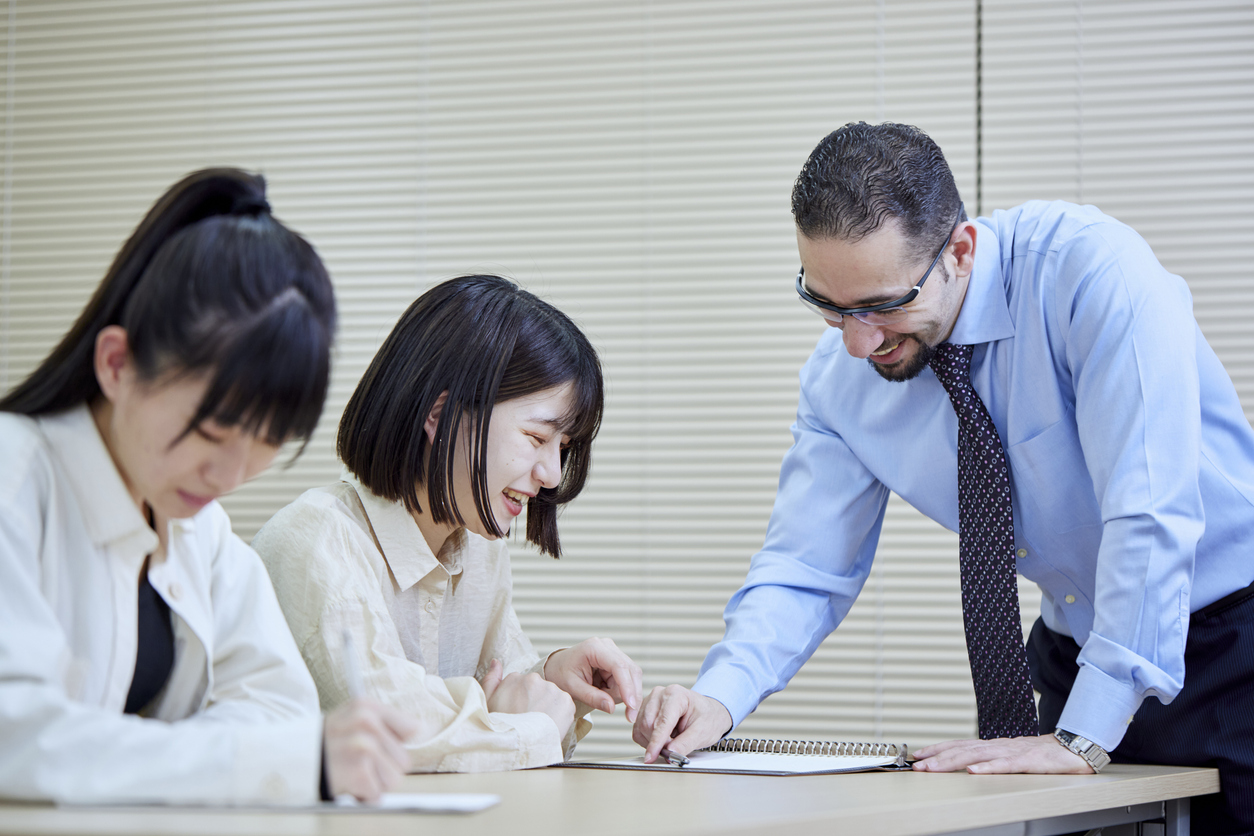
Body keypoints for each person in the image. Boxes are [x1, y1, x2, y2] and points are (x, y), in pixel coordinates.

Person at [632, 122, 1254, 834]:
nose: (858, 341)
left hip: (1234, 641)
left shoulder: (1091, 274)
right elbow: (804, 567)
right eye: (829, 304)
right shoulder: (841, 381)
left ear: (959, 251)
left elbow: (1150, 509)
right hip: (1081, 652)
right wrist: (719, 697)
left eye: (881, 304)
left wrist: (1085, 732)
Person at [0, 168, 416, 806]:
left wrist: (178, 760)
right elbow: (19, 739)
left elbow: (280, 711)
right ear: (116, 364)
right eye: (214, 428)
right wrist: (235, 758)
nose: (230, 475)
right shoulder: (15, 476)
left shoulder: (200, 528)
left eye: (267, 439)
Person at [253, 274, 642, 772]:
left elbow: (503, 688)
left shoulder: (479, 547)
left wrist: (553, 674)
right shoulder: (316, 542)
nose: (549, 475)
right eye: (535, 437)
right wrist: (528, 726)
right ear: (441, 415)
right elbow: (394, 735)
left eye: (561, 449)